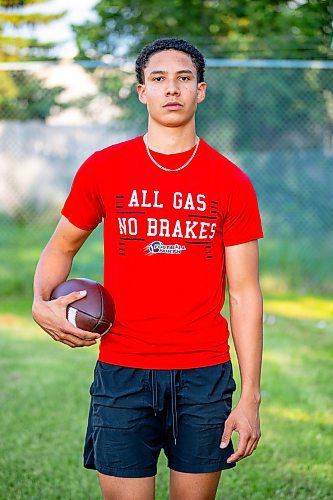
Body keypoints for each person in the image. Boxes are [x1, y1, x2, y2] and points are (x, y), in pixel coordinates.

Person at [32, 37, 264, 500]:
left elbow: (244, 293)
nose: (171, 89)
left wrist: (251, 396)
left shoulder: (231, 181)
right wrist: (41, 304)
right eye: (158, 79)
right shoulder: (104, 168)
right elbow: (61, 247)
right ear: (142, 91)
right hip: (123, 371)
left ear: (201, 90)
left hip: (204, 375)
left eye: (183, 79)